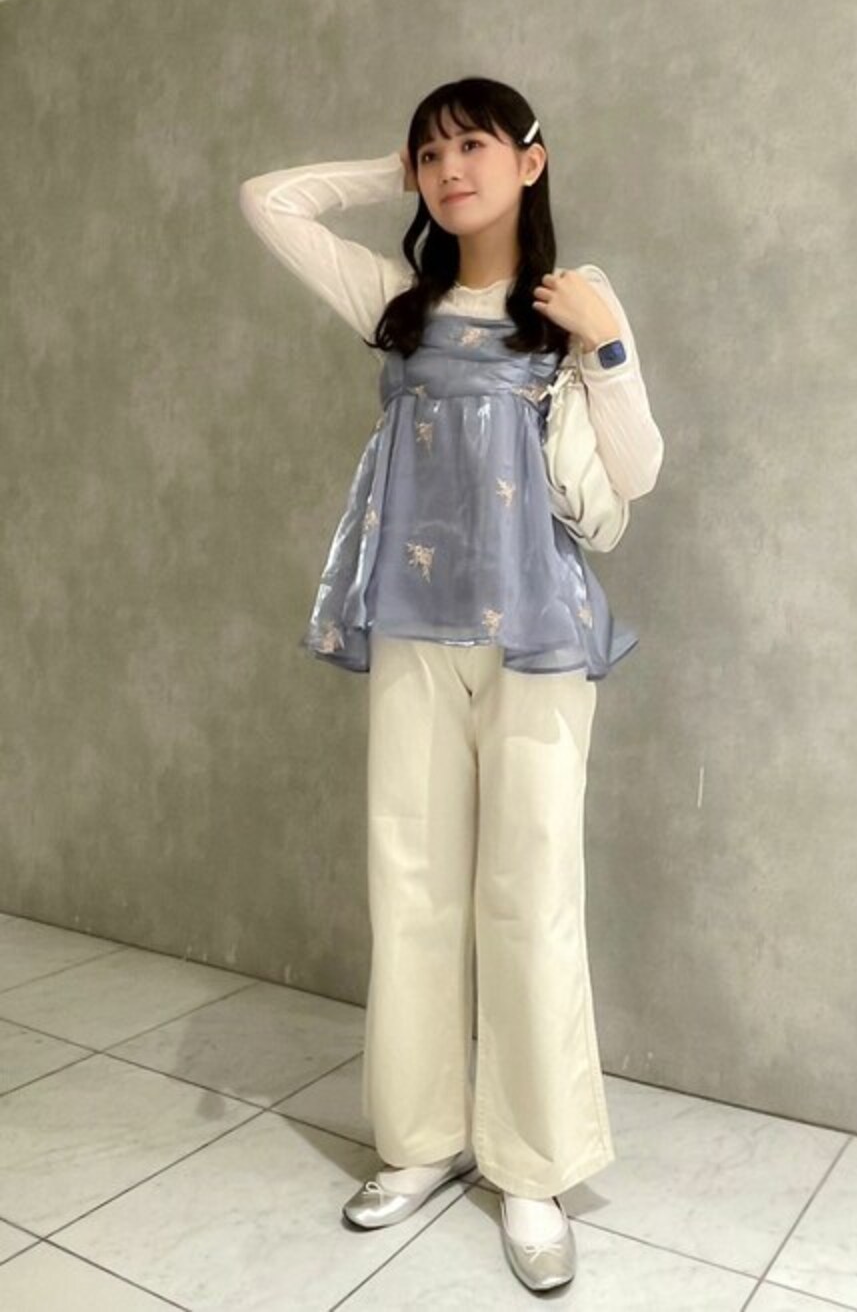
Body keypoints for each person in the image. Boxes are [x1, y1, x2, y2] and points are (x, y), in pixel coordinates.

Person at [238, 76, 663, 1293]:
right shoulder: (398, 302)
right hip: (416, 633)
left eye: (471, 145)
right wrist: (392, 167)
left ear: (532, 159)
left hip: (538, 641)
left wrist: (606, 345)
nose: (448, 170)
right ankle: (421, 1140)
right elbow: (268, 201)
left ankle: (532, 1167)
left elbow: (634, 472)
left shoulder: (572, 303)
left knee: (529, 895)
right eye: (430, 155)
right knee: (412, 886)